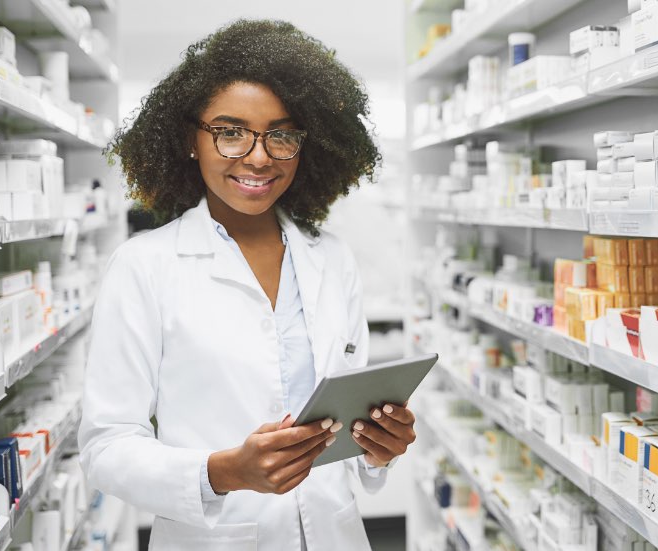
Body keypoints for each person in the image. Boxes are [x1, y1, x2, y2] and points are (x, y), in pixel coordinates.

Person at [78, 19, 415, 551]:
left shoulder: (332, 259)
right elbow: (106, 447)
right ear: (190, 139)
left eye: (281, 135)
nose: (258, 157)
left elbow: (345, 423)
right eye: (230, 131)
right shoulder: (143, 265)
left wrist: (379, 446)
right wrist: (223, 472)